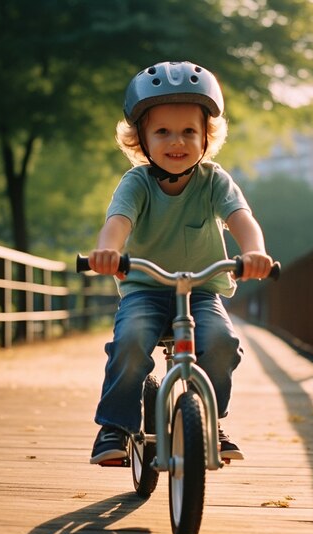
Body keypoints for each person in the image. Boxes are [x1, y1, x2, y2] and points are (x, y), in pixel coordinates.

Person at [87, 61, 273, 464]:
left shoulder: (214, 181)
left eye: (189, 130)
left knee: (222, 344)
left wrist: (253, 252)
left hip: (202, 291)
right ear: (141, 141)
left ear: (207, 135)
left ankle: (209, 420)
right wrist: (108, 251)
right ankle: (114, 427)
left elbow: (243, 219)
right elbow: (118, 222)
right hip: (145, 290)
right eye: (163, 132)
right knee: (132, 340)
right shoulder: (136, 183)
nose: (177, 141)